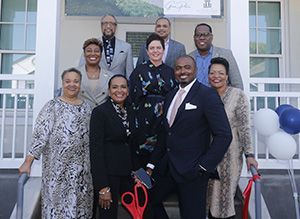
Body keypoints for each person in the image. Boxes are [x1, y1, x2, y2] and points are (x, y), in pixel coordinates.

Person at [147, 55, 232, 219]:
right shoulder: (171, 96)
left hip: (193, 171)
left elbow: (224, 135)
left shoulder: (207, 95)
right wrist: (152, 163)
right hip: (168, 169)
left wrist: (204, 167)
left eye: (187, 67)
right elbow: (166, 133)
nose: (182, 71)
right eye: (178, 68)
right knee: (149, 199)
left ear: (195, 70)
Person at [19, 68, 93, 218]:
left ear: (80, 84)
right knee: (56, 209)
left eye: (76, 81)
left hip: (82, 171)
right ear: (62, 83)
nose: (72, 84)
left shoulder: (88, 107)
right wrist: (28, 162)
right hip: (57, 170)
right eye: (68, 81)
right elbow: (40, 135)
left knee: (80, 207)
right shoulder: (51, 106)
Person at [207, 57, 258, 219]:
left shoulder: (238, 96)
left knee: (224, 200)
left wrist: (249, 154)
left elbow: (244, 127)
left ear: (227, 76)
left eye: (221, 73)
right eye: (212, 73)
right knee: (208, 199)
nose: (216, 76)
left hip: (230, 156)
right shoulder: (205, 94)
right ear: (208, 75)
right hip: (207, 156)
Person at [89, 75, 140, 219]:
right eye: (115, 87)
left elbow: (132, 145)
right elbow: (95, 151)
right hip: (109, 175)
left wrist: (141, 174)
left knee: (144, 211)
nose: (119, 90)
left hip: (129, 173)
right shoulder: (100, 112)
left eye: (123, 87)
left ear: (128, 90)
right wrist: (102, 186)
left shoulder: (131, 110)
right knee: (108, 215)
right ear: (109, 91)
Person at [129, 33, 177, 168]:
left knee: (161, 158)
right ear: (147, 51)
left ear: (163, 50)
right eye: (152, 48)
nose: (155, 51)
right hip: (143, 121)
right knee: (143, 160)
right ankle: (142, 186)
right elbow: (132, 98)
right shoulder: (139, 71)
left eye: (158, 48)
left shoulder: (171, 72)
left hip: (164, 120)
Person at [189, 23, 244, 89]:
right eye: (198, 35)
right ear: (194, 38)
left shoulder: (226, 54)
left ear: (211, 37)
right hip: (195, 98)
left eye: (205, 35)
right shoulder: (189, 58)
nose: (202, 38)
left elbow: (237, 84)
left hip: (220, 98)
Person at [78, 38, 113, 109]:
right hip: (79, 117)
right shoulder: (74, 74)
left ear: (101, 54)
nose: (93, 53)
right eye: (89, 51)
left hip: (102, 117)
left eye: (96, 51)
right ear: (84, 54)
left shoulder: (110, 76)